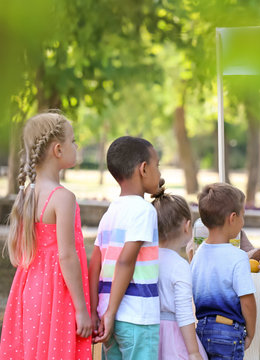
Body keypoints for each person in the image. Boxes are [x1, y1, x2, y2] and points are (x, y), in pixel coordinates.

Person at [0, 112, 92, 359]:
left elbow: (20, 252)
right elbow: (67, 256)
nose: (76, 146)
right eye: (73, 140)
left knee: (35, 350)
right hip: (56, 293)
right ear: (58, 149)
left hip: (29, 290)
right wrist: (82, 309)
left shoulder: (27, 194)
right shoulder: (63, 197)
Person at [88, 136, 162, 359]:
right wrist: (110, 312)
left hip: (108, 319)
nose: (159, 173)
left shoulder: (111, 212)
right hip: (137, 318)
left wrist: (96, 311)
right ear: (144, 169)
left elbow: (95, 265)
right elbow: (125, 261)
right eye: (157, 166)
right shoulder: (144, 211)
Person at [191, 183, 256, 360]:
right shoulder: (238, 257)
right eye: (243, 216)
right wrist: (251, 332)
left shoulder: (197, 256)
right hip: (229, 332)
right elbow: (247, 300)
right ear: (232, 218)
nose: (243, 222)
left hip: (202, 331)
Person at [151, 188, 208, 360]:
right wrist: (193, 352)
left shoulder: (145, 260)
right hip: (175, 337)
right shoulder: (179, 266)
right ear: (187, 226)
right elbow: (184, 312)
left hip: (150, 332)